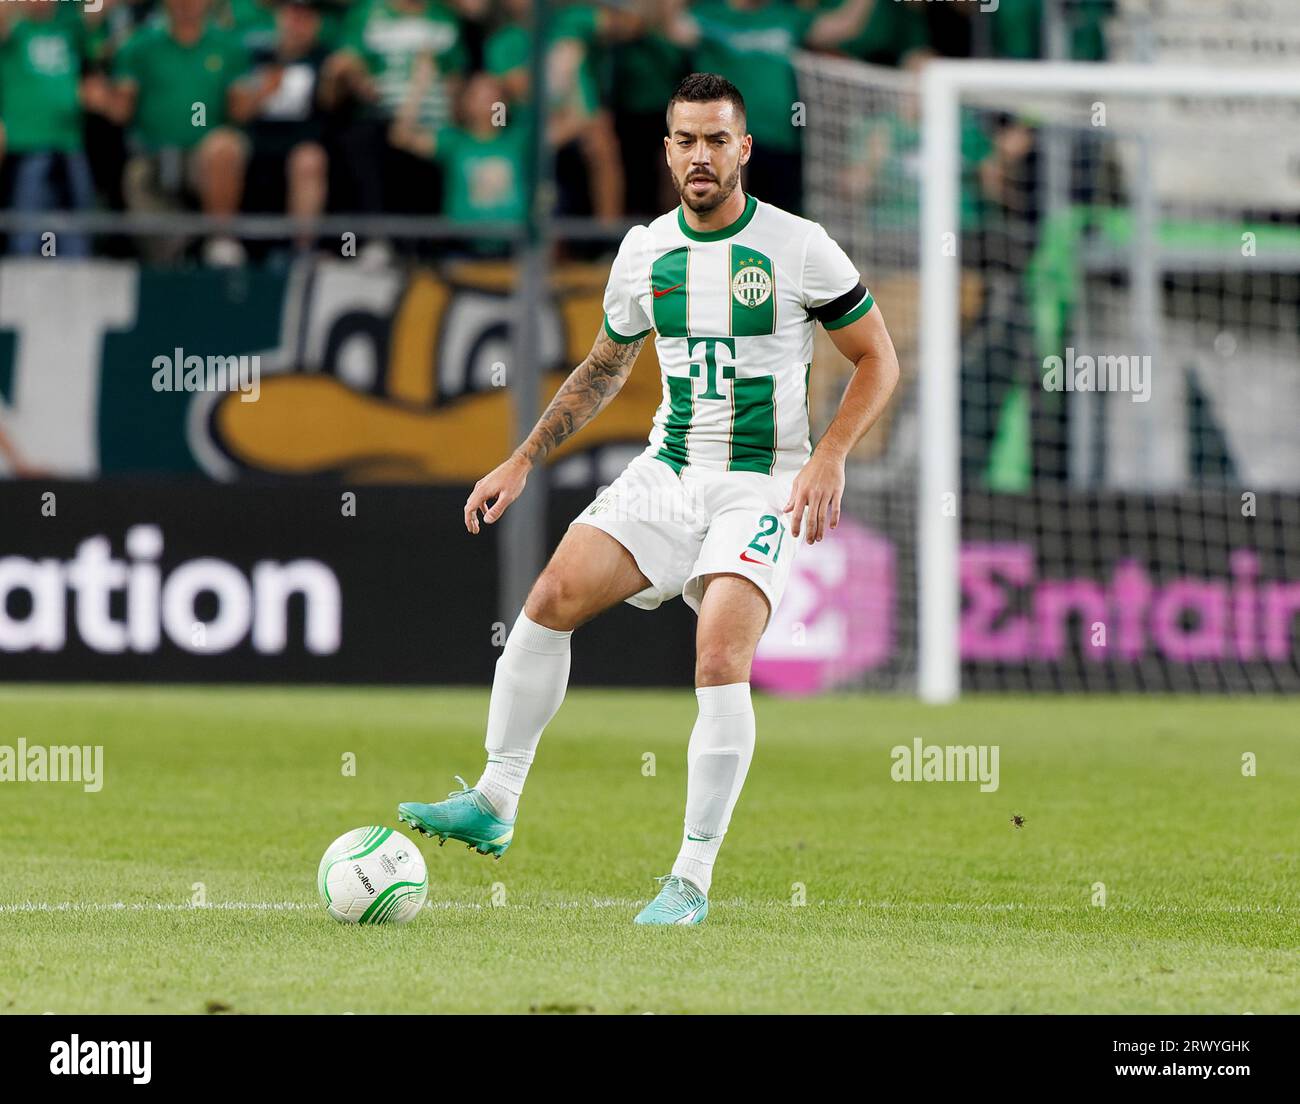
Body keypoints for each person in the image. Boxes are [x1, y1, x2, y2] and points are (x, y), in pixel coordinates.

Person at [397, 72, 899, 926]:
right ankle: (495, 798)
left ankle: (690, 879)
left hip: (762, 483)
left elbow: (878, 359)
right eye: (684, 141)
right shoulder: (643, 253)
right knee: (549, 599)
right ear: (666, 150)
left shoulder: (799, 246)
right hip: (667, 472)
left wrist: (829, 457)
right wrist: (520, 460)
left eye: (716, 140)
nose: (699, 156)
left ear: (744, 148)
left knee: (717, 655)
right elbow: (602, 368)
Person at [104, 0, 251, 265]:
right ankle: (170, 262)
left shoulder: (228, 46)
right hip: (151, 156)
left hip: (204, 157)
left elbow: (239, 111)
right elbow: (121, 110)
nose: (187, 4)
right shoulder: (139, 45)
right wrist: (99, 95)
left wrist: (267, 92)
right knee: (138, 184)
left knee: (225, 147)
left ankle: (221, 241)